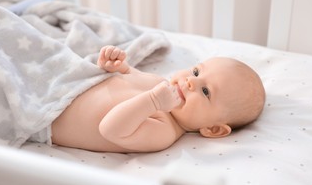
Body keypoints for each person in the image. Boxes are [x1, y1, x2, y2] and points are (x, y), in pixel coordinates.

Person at [51, 45, 266, 153]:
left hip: (50, 114)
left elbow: (109, 128)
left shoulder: (164, 131)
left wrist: (153, 102)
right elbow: (128, 76)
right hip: (63, 83)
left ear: (213, 129)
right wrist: (115, 66)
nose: (190, 82)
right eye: (197, 72)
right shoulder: (161, 84)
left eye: (206, 92)